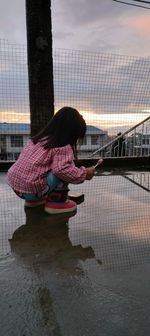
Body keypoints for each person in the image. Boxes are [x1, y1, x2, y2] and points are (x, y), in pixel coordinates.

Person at [7, 107, 103, 214]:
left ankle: (33, 202)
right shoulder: (62, 145)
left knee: (43, 170)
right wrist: (84, 173)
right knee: (64, 169)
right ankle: (57, 204)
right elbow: (62, 170)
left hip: (17, 188)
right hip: (33, 190)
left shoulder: (37, 139)